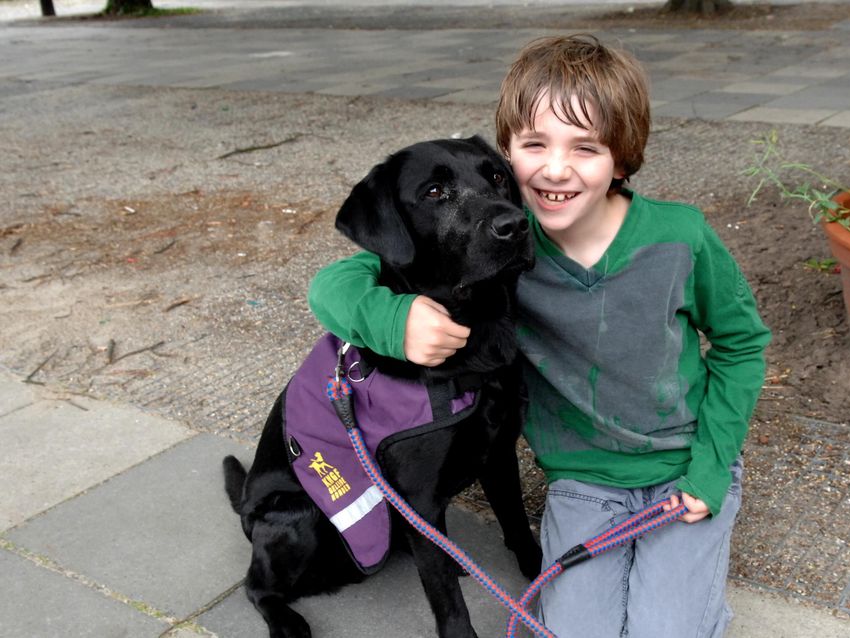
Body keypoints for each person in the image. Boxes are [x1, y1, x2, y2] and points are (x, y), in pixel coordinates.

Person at [308, 34, 770, 638]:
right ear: (508, 157)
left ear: (622, 160)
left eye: (586, 148)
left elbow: (743, 343)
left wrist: (710, 470)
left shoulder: (680, 238)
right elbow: (332, 285)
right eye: (534, 145)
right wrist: (397, 323)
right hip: (583, 483)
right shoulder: (499, 249)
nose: (555, 169)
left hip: (686, 470)